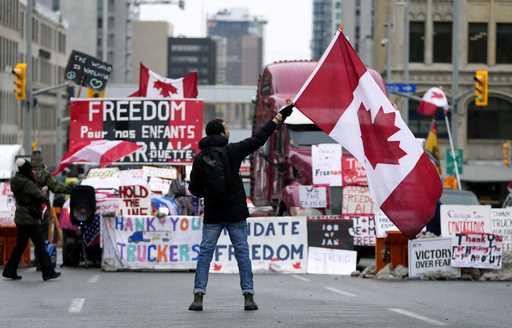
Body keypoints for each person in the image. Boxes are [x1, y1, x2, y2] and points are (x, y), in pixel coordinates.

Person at [188, 103, 294, 311]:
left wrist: (210, 192)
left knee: (205, 254)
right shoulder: (233, 151)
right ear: (220, 132)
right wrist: (279, 117)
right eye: (226, 128)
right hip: (235, 212)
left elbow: (194, 189)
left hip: (213, 213)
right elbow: (259, 138)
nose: (229, 131)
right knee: (242, 253)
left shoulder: (199, 158)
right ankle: (248, 296)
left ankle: (198, 296)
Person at [2, 159, 61, 281]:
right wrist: (43, 191)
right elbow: (39, 196)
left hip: (20, 216)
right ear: (26, 170)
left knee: (20, 245)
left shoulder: (15, 181)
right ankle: (48, 272)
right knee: (40, 245)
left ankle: (9, 271)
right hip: (29, 218)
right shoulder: (27, 183)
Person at [31, 150, 71, 268]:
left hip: (29, 211)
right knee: (41, 237)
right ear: (42, 160)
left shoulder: (26, 173)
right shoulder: (44, 174)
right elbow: (56, 187)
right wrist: (70, 189)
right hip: (42, 210)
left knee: (26, 238)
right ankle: (40, 263)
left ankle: (34, 261)